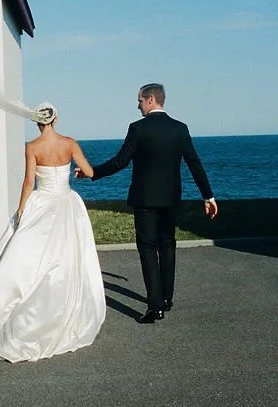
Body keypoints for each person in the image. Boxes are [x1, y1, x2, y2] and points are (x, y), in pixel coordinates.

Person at [0, 102, 106, 362]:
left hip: (42, 202)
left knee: (31, 256)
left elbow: (29, 182)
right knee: (67, 257)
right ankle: (62, 303)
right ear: (55, 119)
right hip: (66, 203)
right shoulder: (69, 143)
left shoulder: (32, 147)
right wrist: (77, 173)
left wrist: (21, 212)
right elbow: (89, 171)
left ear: (37, 122)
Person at [75, 83, 218, 323]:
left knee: (148, 249)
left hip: (145, 199)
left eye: (140, 100)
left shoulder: (138, 129)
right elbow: (195, 164)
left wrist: (93, 172)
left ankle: (155, 306)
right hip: (171, 198)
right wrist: (208, 196)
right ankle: (166, 298)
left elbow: (120, 161)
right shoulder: (179, 129)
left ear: (151, 100)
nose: (138, 105)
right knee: (168, 244)